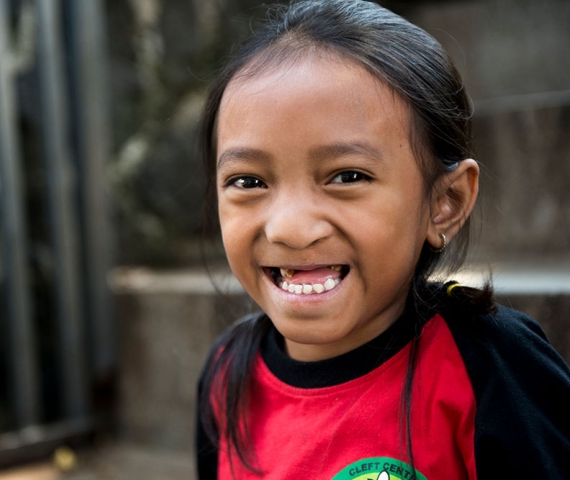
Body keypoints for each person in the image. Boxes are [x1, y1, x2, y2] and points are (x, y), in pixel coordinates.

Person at [194, 1, 570, 479]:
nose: (288, 227)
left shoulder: (492, 369)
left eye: (346, 175)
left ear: (445, 202)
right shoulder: (227, 377)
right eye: (248, 182)